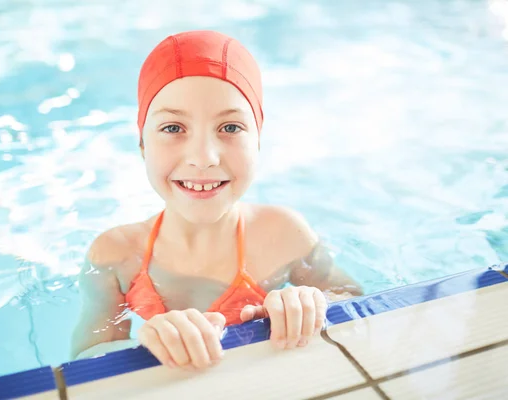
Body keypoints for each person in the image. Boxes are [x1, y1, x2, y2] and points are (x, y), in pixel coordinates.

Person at [70, 30, 362, 370]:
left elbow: (358, 302)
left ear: (257, 141)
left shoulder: (284, 234)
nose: (204, 157)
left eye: (231, 128)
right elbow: (80, 362)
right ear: (142, 145)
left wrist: (312, 302)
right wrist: (141, 345)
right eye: (173, 128)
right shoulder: (115, 256)